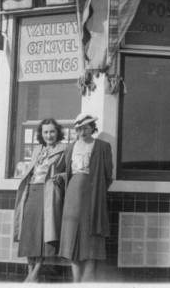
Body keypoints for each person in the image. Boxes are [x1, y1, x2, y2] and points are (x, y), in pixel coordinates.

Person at [59, 113, 113, 282]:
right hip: (73, 192)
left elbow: (108, 174)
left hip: (93, 192)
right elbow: (67, 171)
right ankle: (76, 279)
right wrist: (60, 177)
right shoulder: (70, 147)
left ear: (92, 128)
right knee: (72, 231)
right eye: (79, 129)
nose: (83, 132)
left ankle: (88, 276)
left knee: (91, 231)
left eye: (86, 128)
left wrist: (97, 191)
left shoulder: (102, 146)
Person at [14, 118, 68, 282]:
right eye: (45, 132)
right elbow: (31, 170)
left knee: (44, 234)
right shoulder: (38, 149)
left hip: (48, 194)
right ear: (41, 134)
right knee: (30, 234)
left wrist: (61, 177)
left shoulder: (64, 149)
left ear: (57, 132)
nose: (49, 135)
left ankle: (34, 274)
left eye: (52, 131)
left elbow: (70, 172)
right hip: (31, 192)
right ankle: (31, 273)